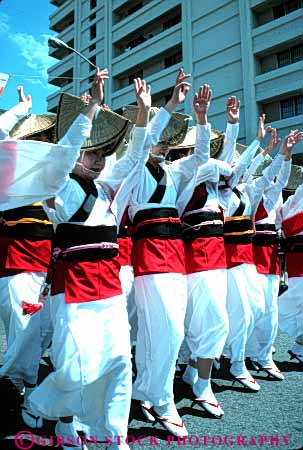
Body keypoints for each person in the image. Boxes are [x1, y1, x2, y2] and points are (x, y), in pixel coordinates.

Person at [129, 73, 214, 437]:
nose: (161, 144)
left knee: (156, 333)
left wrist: (201, 118)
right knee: (168, 330)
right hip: (148, 258)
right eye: (157, 139)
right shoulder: (130, 168)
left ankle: (143, 391)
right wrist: (167, 106)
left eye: (166, 141)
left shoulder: (173, 171)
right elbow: (141, 142)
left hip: (175, 257)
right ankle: (163, 399)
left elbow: (202, 158)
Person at [0, 87, 56, 427]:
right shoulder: (7, 176)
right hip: (17, 265)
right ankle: (14, 390)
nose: (45, 144)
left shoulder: (53, 181)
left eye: (48, 138)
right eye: (38, 138)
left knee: (42, 331)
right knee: (24, 330)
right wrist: (21, 108)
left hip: (48, 269)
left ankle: (24, 386)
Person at [276, 131, 303, 365]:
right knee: (294, 301)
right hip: (298, 256)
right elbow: (287, 224)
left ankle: (299, 346)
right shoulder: (299, 194)